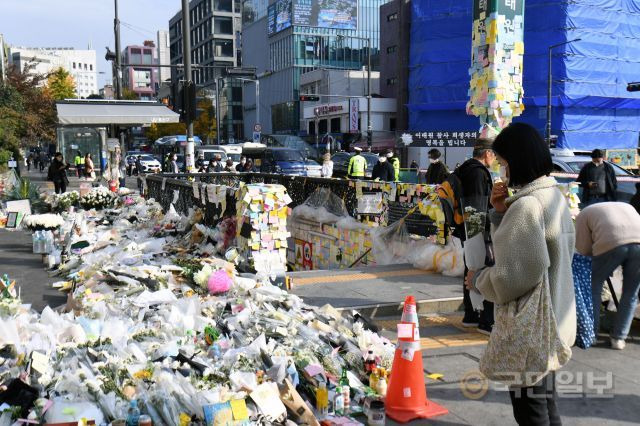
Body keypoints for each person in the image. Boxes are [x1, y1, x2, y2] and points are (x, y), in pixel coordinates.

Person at [468, 123, 576, 425]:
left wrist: (478, 281)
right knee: (545, 404)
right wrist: (501, 211)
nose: (502, 171)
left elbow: (513, 276)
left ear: (516, 160)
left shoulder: (527, 205)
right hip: (556, 320)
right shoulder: (553, 196)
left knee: (531, 412)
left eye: (503, 163)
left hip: (533, 330)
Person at [575, 202, 640, 350]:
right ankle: (619, 338)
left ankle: (591, 333)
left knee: (593, 286)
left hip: (612, 242)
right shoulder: (626, 206)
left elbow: (583, 250)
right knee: (631, 294)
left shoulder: (583, 214)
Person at [456, 138, 495, 333]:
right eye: (494, 154)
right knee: (483, 269)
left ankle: (470, 315)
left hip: (467, 227)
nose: (494, 159)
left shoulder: (465, 168)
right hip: (476, 228)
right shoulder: (478, 173)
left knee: (471, 268)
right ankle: (486, 320)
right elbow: (478, 204)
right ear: (487, 153)